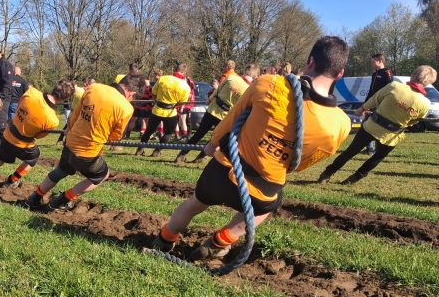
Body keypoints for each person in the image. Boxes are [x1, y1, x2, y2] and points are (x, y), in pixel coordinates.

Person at [150, 36, 351, 261]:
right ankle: (221, 241)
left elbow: (231, 120)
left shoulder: (270, 83)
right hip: (264, 190)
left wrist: (212, 144)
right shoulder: (341, 124)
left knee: (193, 204)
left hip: (223, 174)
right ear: (340, 73)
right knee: (263, 210)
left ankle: (165, 239)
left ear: (310, 61)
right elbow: (300, 164)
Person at [21, 74, 143, 210]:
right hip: (89, 152)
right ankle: (62, 200)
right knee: (101, 175)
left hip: (71, 142)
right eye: (132, 97)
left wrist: (69, 132)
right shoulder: (126, 108)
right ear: (131, 93)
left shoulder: (94, 88)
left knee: (61, 170)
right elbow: (115, 136)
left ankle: (34, 198)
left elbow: (74, 114)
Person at [318, 65, 436, 185]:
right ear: (428, 82)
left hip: (372, 126)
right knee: (376, 158)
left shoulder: (395, 86)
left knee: (350, 151)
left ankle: (327, 174)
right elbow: (414, 121)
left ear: (414, 75)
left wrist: (362, 109)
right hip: (391, 136)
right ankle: (353, 179)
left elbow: (375, 99)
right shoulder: (425, 104)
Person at [0, 80, 75, 190]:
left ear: (55, 87)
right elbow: (39, 136)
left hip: (8, 134)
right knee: (33, 158)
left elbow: (18, 106)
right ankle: (12, 180)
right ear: (66, 98)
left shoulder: (31, 92)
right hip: (23, 144)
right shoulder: (53, 119)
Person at [175, 61, 257, 163]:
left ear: (245, 72)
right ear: (254, 77)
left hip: (213, 110)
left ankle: (181, 155)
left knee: (198, 134)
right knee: (214, 139)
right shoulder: (250, 90)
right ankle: (200, 158)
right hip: (226, 117)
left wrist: (210, 100)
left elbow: (215, 93)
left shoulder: (231, 78)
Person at [135, 63, 190, 157]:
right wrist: (174, 104)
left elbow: (153, 92)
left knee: (148, 131)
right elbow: (182, 102)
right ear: (184, 73)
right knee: (168, 133)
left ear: (175, 70)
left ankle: (139, 150)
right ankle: (157, 151)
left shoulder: (163, 78)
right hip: (170, 112)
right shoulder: (185, 86)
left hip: (157, 109)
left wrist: (158, 100)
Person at [362, 53, 393, 154]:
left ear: (380, 61)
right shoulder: (374, 74)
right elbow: (371, 90)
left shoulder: (387, 72)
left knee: (378, 126)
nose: (371, 64)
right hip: (371, 103)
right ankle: (369, 148)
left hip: (381, 104)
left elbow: (389, 89)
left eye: (373, 62)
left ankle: (378, 149)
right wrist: (365, 104)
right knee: (366, 124)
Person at [57, 78, 94, 144]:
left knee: (71, 125)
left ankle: (64, 140)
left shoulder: (79, 92)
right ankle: (64, 140)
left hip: (80, 112)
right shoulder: (78, 92)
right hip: (80, 112)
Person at [175, 64, 196, 139]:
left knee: (183, 119)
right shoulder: (182, 79)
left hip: (186, 102)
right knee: (180, 119)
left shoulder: (187, 80)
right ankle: (180, 135)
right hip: (181, 101)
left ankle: (185, 135)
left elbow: (192, 88)